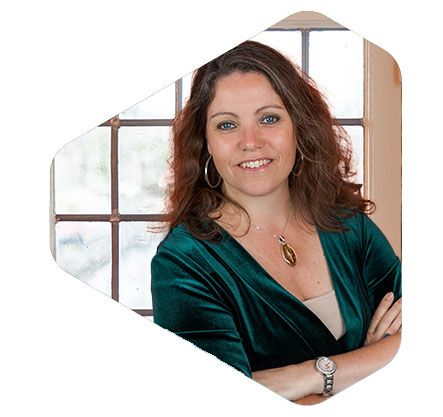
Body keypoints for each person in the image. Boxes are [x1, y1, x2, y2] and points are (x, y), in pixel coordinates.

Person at [150, 40, 401, 404]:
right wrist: (368, 362)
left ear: (299, 126)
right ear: (205, 143)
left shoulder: (348, 225)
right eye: (226, 125)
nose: (250, 142)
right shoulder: (183, 263)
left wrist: (307, 376)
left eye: (269, 118)